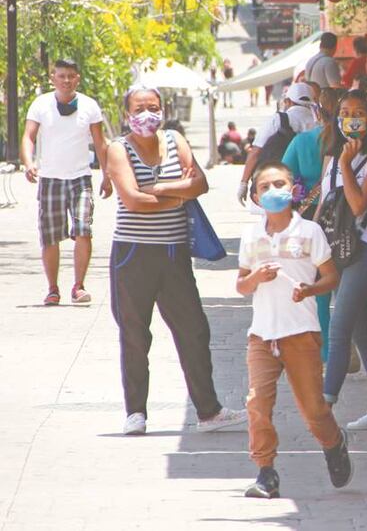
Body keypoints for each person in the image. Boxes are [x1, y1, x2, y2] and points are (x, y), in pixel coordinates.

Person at [106, 86, 247, 436]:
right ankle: (135, 412)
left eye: (153, 107)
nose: (147, 115)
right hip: (133, 254)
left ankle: (208, 411)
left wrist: (160, 189)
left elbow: (199, 183)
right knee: (135, 333)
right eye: (139, 108)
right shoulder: (118, 148)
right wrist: (176, 195)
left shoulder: (174, 140)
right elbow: (133, 200)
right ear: (126, 114)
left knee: (194, 331)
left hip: (174, 252)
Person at [237, 162, 352, 499]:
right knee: (257, 403)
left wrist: (310, 289)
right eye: (265, 186)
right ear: (256, 196)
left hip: (301, 332)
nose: (273, 191)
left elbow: (331, 276)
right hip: (262, 335)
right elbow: (242, 284)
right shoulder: (251, 235)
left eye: (280, 184)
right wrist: (256, 278)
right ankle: (265, 472)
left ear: (293, 189)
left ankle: (334, 443)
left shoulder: (309, 232)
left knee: (313, 409)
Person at [319, 89, 367, 429]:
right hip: (339, 249)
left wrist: (346, 166)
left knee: (339, 329)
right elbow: (326, 205)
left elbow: (358, 205)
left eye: (359, 112)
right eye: (345, 111)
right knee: (361, 331)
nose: (351, 118)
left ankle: (324, 407)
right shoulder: (333, 154)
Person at [20, 58, 113, 305]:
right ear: (53, 78)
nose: (66, 81)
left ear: (77, 78)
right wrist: (28, 163)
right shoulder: (41, 104)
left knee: (84, 230)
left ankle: (79, 286)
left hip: (80, 178)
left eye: (71, 76)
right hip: (50, 178)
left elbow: (100, 143)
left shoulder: (89, 106)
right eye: (61, 76)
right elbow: (28, 137)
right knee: (50, 236)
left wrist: (107, 175)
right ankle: (53, 289)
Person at [282, 90, 338, 360]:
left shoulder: (302, 142)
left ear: (318, 111)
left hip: (310, 222)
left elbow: (282, 179)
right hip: (348, 222)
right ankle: (342, 346)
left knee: (319, 291)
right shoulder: (352, 143)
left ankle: (326, 352)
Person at [238, 83, 318, 205]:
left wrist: (244, 183)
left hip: (277, 185)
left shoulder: (278, 120)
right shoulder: (318, 123)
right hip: (310, 191)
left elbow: (255, 152)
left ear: (288, 101)